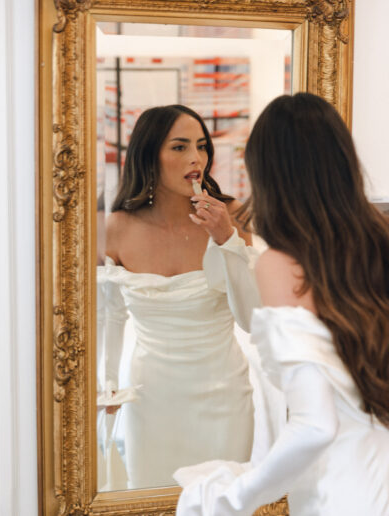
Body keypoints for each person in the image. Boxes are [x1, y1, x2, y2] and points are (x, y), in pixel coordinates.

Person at [174, 92, 389, 515]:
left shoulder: (281, 264)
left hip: (343, 492)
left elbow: (315, 425)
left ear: (268, 173)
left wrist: (230, 498)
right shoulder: (379, 241)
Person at [97, 104, 263, 490]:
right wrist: (106, 381)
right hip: (151, 397)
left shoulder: (232, 214)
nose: (196, 159)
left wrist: (226, 239)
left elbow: (252, 318)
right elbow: (111, 314)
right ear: (149, 155)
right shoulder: (117, 228)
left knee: (224, 499)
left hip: (224, 395)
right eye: (179, 147)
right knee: (151, 496)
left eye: (202, 146)